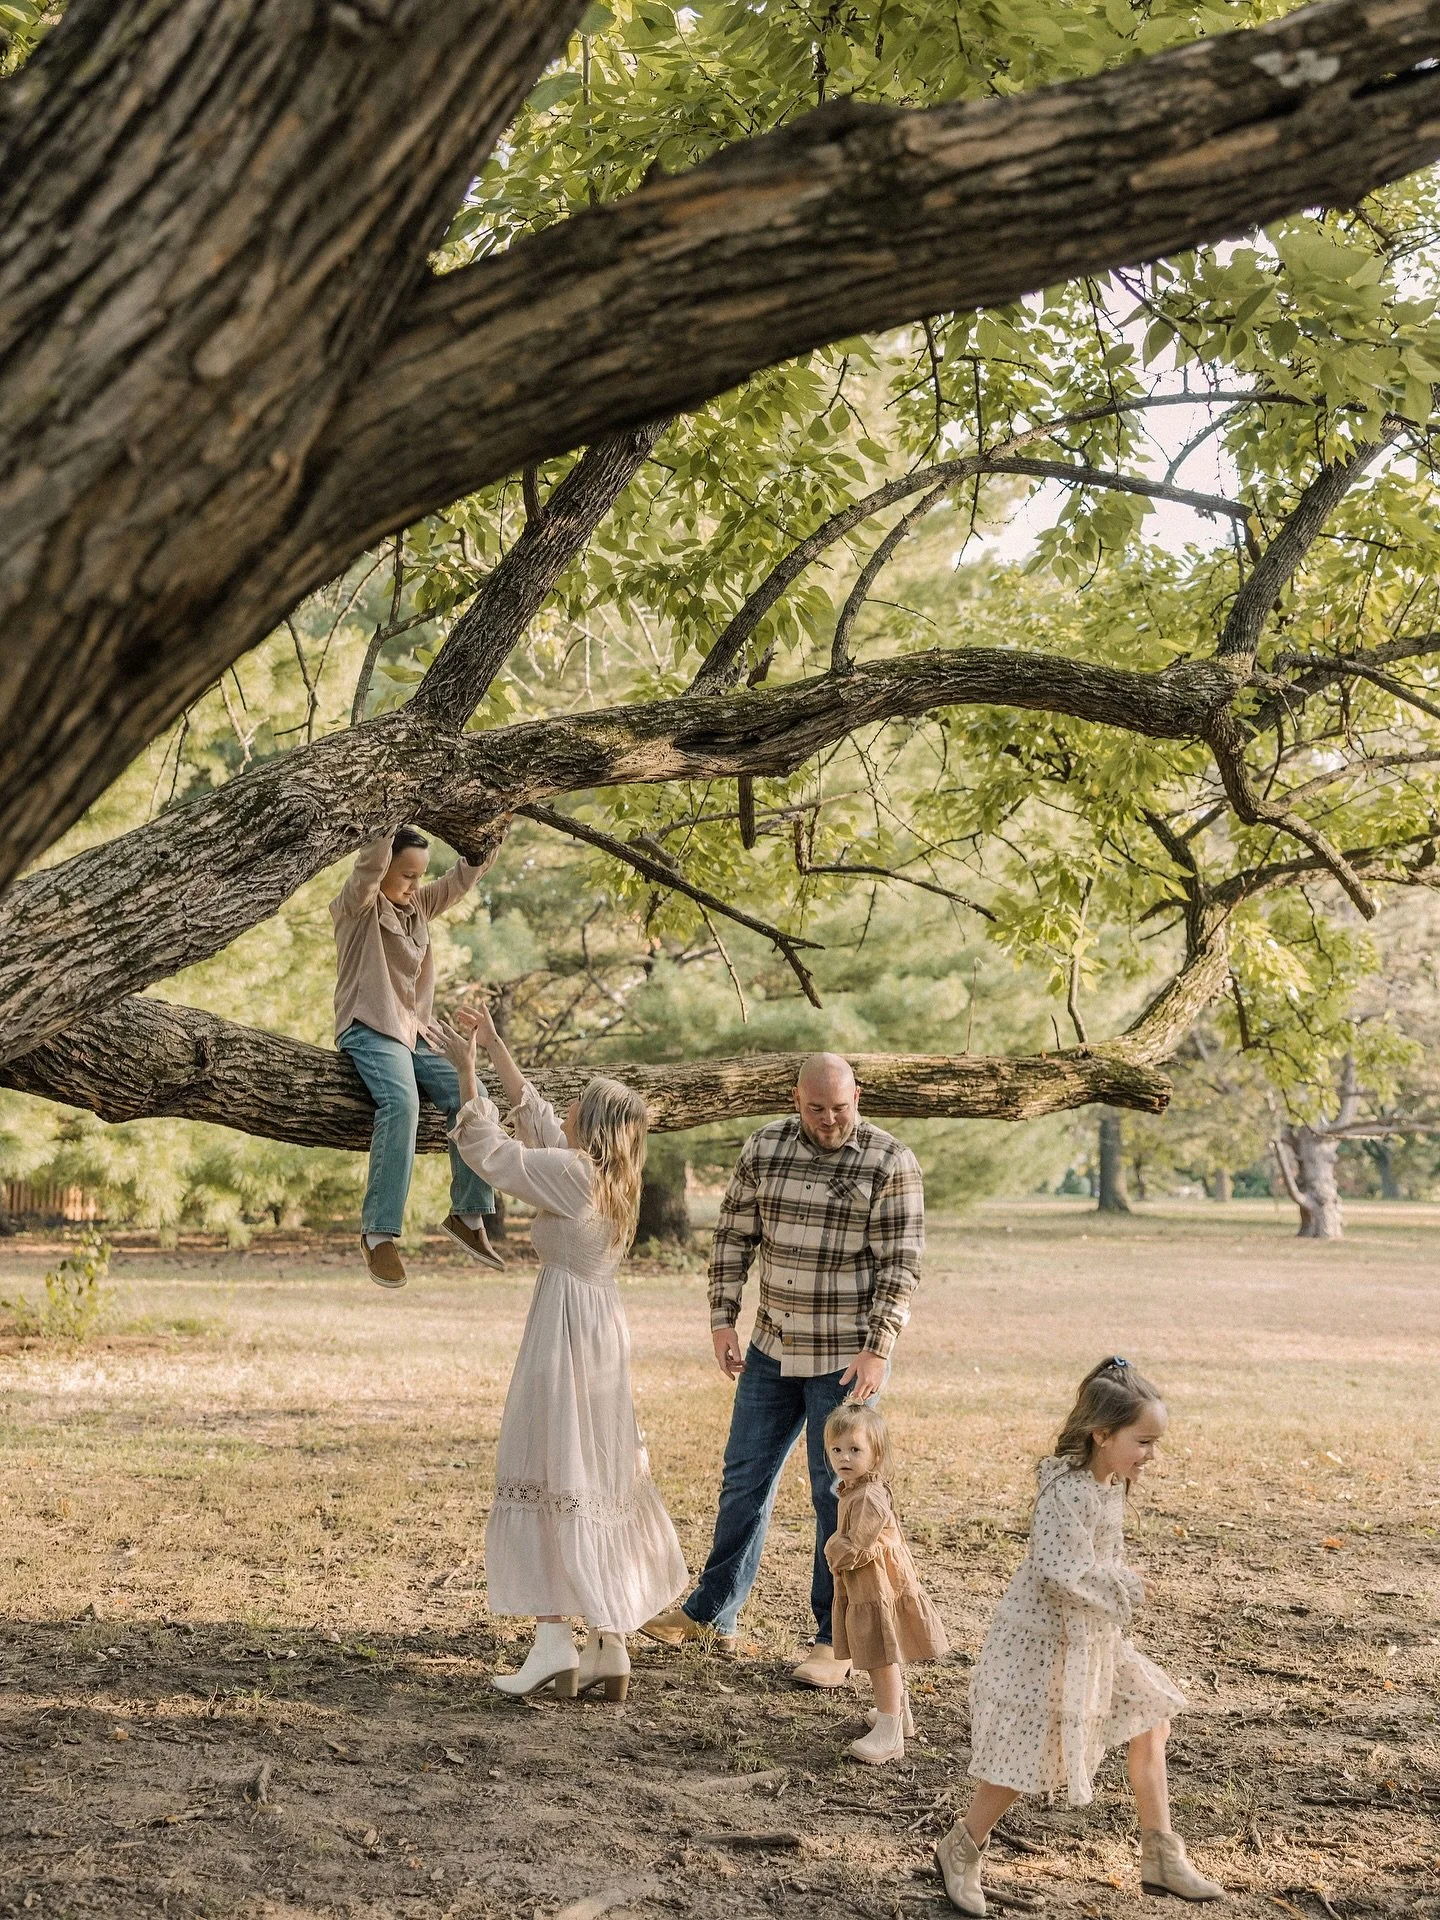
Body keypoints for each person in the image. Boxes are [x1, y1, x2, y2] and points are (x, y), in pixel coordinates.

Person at [428, 1005, 688, 1704]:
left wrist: (462, 1069)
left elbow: (495, 1153)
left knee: (549, 1462)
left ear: (594, 1126)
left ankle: (552, 1641)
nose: (563, 1107)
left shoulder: (573, 1175)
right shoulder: (605, 1176)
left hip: (566, 1337)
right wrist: (494, 1046)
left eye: (578, 1104)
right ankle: (607, 1643)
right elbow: (533, 1114)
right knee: (593, 1473)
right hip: (598, 1334)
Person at [642, 1052, 924, 1687]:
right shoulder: (764, 1147)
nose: (829, 1120)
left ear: (859, 1096)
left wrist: (879, 1348)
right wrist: (722, 1319)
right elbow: (734, 1238)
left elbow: (900, 1266)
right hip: (771, 1349)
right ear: (794, 1098)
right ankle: (713, 1612)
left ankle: (836, 1640)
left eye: (841, 1108)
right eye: (816, 1107)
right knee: (743, 1482)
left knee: (841, 1498)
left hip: (846, 1359)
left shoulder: (889, 1161)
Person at [935, 1358, 1224, 1914]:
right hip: (1044, 1642)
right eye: (1143, 1441)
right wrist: (1128, 1583)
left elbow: (1094, 1563)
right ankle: (962, 1847)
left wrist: (1116, 1594)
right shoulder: (1067, 1491)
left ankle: (1161, 1853)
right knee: (1024, 1758)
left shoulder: (1108, 1482)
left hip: (1093, 1637)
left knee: (1151, 1716)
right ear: (1101, 1434)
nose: (1151, 1455)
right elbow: (1057, 1570)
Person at [331, 823, 508, 1288]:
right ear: (384, 867)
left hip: (416, 1035)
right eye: (407, 874)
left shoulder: (420, 908)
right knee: (403, 1104)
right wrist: (395, 805)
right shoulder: (357, 905)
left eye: (419, 875)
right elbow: (368, 864)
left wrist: (493, 824)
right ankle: (378, 1233)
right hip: (370, 1030)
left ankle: (468, 1215)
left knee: (474, 1093)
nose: (415, 884)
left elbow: (465, 877)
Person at [823, 1402, 948, 1764]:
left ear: (876, 1455)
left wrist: (833, 1548)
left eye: (855, 1449)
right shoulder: (854, 1489)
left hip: (878, 1588)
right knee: (881, 1652)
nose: (844, 1457)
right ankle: (897, 1712)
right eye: (836, 1449)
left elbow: (857, 1546)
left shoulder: (870, 1497)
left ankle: (890, 1732)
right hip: (869, 1586)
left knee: (880, 1656)